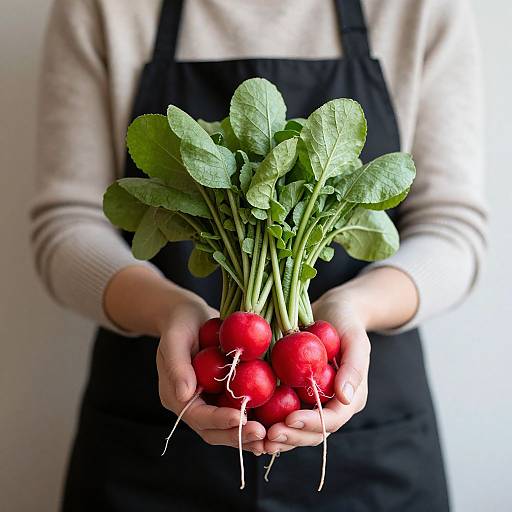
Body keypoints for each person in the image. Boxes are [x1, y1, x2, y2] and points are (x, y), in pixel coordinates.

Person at [31, 0, 487, 510]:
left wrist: (355, 310)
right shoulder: (103, 8)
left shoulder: (421, 8)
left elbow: (453, 228)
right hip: (158, 437)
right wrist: (169, 310)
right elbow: (67, 224)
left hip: (364, 435)